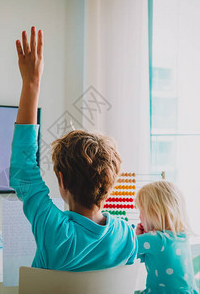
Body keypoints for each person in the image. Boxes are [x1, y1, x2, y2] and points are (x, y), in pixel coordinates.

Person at [9, 26, 138, 271]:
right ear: (110, 183)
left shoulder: (54, 232)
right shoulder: (126, 236)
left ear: (62, 180)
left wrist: (31, 83)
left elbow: (23, 170)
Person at [135, 180, 198, 293]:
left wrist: (136, 237)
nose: (139, 216)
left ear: (154, 211)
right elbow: (150, 257)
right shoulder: (182, 237)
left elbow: (127, 250)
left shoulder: (156, 239)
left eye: (141, 211)